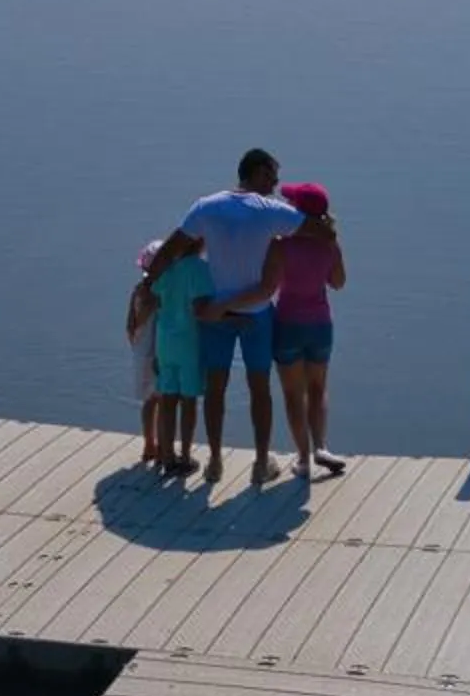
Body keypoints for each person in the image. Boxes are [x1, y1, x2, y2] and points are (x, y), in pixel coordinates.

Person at [145, 148, 332, 483]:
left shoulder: (207, 206)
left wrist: (148, 286)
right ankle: (261, 463)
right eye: (272, 178)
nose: (275, 187)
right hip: (257, 314)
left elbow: (172, 247)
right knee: (260, 387)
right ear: (258, 174)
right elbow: (323, 233)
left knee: (215, 387)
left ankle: (215, 460)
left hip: (217, 313)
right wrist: (317, 229)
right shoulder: (271, 211)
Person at [214, 182, 347, 476]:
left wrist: (225, 305)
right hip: (321, 326)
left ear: (297, 212)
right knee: (317, 388)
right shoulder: (330, 244)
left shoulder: (280, 245)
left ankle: (302, 458)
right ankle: (321, 445)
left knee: (292, 393)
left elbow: (266, 289)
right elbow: (338, 282)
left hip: (287, 324)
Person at [137, 234, 213, 475]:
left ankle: (166, 454)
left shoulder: (168, 269)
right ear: (201, 244)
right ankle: (186, 455)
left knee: (168, 398)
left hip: (164, 342)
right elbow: (203, 305)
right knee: (189, 400)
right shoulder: (201, 269)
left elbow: (155, 295)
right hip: (189, 342)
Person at [127, 241, 165, 468]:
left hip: (142, 353)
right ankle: (159, 446)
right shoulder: (161, 294)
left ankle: (149, 444)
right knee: (162, 400)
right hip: (159, 351)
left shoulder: (138, 291)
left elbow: (130, 327)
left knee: (149, 401)